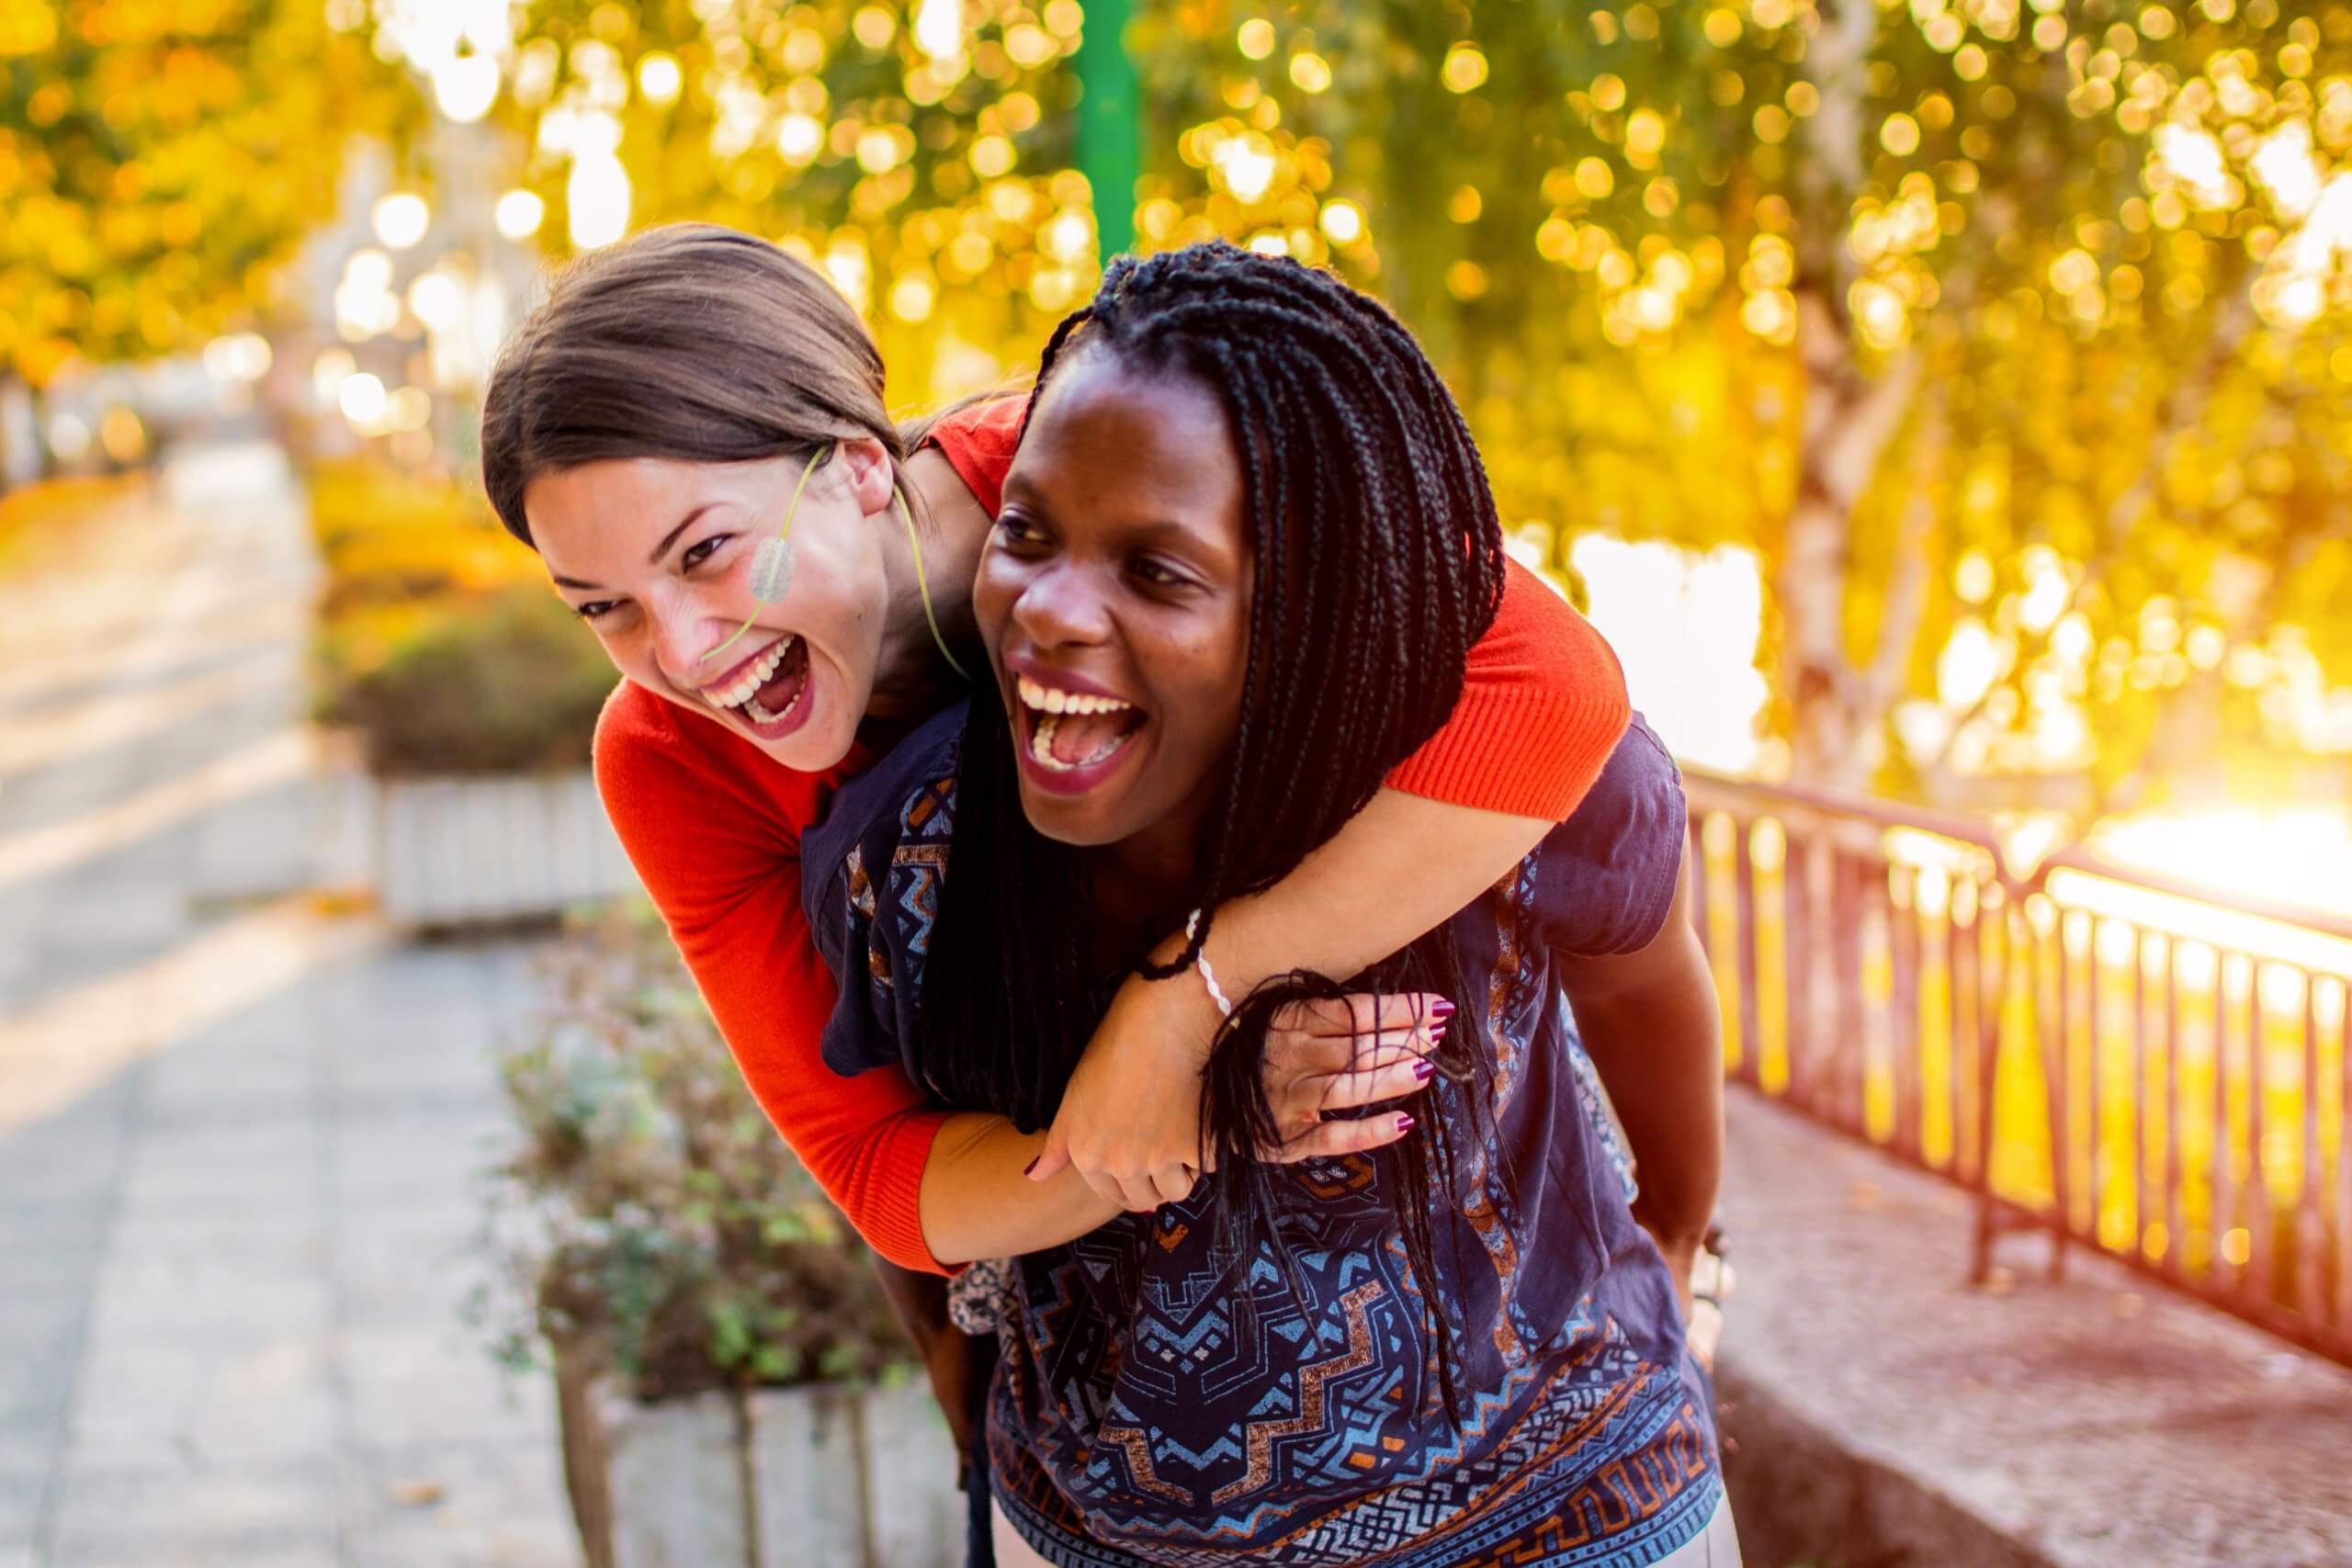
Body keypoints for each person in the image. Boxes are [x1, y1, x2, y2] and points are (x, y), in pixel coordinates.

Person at [806, 243, 1736, 1566]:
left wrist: (1687, 1238)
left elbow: (1650, 986)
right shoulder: (907, 855)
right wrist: (983, 1437)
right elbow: (903, 1178)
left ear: (1310, 611)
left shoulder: (1511, 806)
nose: (1050, 611)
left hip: (1566, 1525)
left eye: (1159, 571)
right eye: (1026, 532)